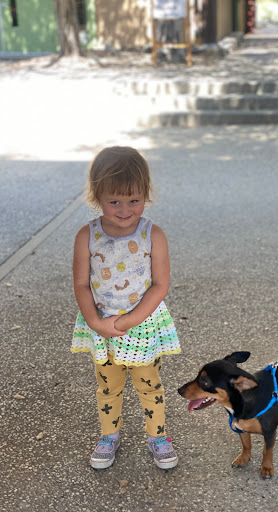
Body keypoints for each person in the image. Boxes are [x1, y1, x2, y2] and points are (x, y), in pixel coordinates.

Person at [71, 146, 181, 470]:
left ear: (146, 194)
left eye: (133, 200)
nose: (124, 209)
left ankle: (158, 435)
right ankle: (108, 435)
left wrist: (130, 320)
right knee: (108, 385)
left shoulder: (153, 235)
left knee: (149, 384)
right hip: (102, 326)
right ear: (97, 196)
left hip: (143, 325)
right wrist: (95, 321)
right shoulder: (86, 236)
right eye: (114, 201)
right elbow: (81, 284)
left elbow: (160, 284)